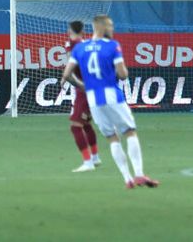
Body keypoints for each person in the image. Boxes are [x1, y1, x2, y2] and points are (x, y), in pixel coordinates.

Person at [60, 14, 159, 189]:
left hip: (92, 98)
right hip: (112, 95)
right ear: (101, 27)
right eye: (110, 26)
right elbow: (123, 74)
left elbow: (66, 75)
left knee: (112, 138)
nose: (112, 29)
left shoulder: (79, 49)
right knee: (130, 132)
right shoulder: (112, 46)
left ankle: (127, 179)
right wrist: (118, 70)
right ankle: (138, 174)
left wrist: (83, 86)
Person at [62, 20, 101, 172]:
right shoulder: (87, 44)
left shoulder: (71, 45)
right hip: (94, 85)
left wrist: (75, 82)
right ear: (83, 31)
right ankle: (95, 157)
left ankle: (88, 162)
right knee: (85, 124)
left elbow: (71, 68)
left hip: (84, 89)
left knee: (75, 126)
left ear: (69, 30)